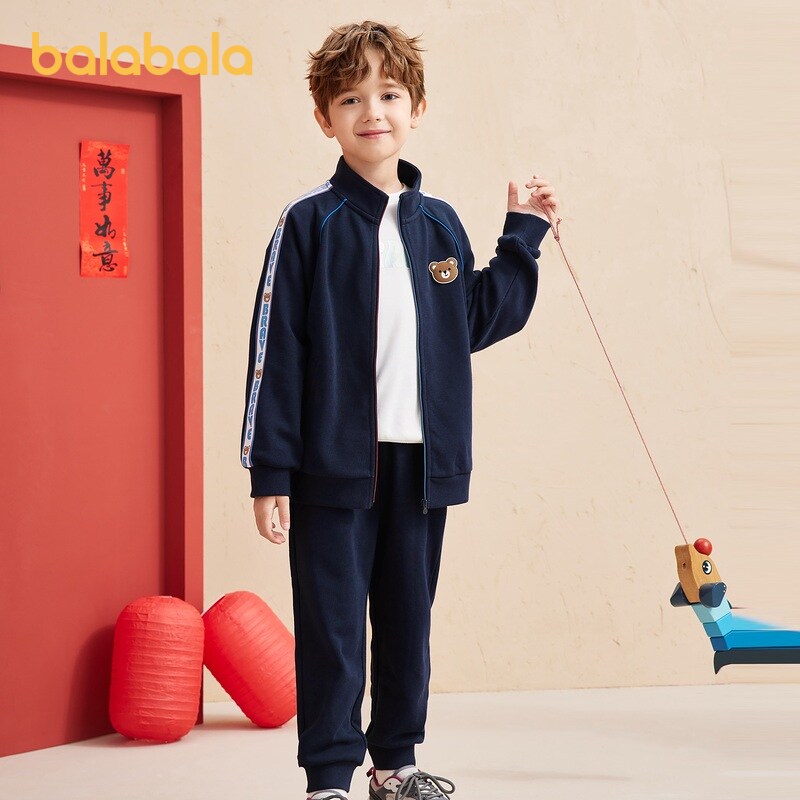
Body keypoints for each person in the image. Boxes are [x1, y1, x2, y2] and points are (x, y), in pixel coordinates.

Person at [240, 20, 560, 800]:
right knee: (332, 628)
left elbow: (472, 321)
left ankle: (395, 763)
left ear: (416, 108)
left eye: (387, 94)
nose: (371, 112)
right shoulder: (307, 224)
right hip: (330, 467)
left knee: (408, 621)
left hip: (422, 466)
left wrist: (524, 236)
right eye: (350, 99)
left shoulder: (439, 223)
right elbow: (275, 353)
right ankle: (328, 779)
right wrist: (271, 471)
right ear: (325, 118)